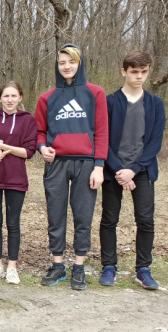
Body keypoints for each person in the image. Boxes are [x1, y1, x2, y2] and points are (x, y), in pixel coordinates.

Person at [34, 44, 108, 290]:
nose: (66, 66)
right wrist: (42, 147)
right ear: (57, 65)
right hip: (56, 163)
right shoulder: (47, 98)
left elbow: (102, 132)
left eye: (71, 61)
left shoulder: (95, 93)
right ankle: (57, 265)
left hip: (86, 163)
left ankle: (78, 267)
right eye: (62, 62)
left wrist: (99, 166)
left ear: (80, 63)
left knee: (83, 215)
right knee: (55, 215)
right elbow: (40, 131)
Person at [99, 51, 165, 290]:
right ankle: (109, 266)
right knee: (109, 219)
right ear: (123, 71)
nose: (139, 76)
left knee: (145, 220)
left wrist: (134, 170)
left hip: (143, 170)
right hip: (113, 170)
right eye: (134, 72)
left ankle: (143, 269)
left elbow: (155, 142)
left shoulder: (155, 104)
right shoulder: (109, 102)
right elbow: (102, 139)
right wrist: (119, 170)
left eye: (143, 72)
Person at [0, 82, 37, 284]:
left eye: (13, 96)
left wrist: (1, 145)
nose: (10, 100)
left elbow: (28, 152)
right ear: (0, 98)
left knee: (13, 223)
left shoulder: (27, 121)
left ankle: (12, 267)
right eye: (6, 96)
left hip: (16, 179)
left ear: (20, 97)